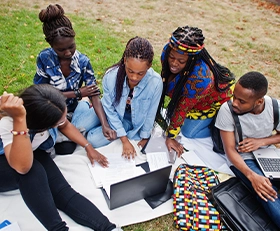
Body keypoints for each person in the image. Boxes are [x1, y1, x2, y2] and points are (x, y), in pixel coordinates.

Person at [0, 84, 122, 231]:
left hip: (31, 152)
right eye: (58, 122)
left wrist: (88, 146)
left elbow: (65, 125)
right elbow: (22, 167)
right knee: (33, 172)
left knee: (63, 192)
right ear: (39, 125)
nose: (63, 122)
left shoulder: (46, 105)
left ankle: (108, 228)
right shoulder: (9, 122)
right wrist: (19, 120)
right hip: (8, 162)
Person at [34, 4, 116, 153]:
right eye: (61, 49)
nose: (67, 53)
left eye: (71, 46)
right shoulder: (44, 59)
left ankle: (76, 123)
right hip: (51, 112)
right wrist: (77, 93)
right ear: (50, 44)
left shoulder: (83, 62)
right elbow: (39, 93)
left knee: (68, 145)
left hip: (73, 112)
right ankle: (73, 129)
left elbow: (94, 94)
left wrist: (105, 124)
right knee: (60, 147)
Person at [156, 25, 235, 156]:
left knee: (188, 133)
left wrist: (170, 137)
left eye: (181, 61)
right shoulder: (167, 51)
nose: (174, 63)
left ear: (192, 60)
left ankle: (220, 125)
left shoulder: (201, 79)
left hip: (210, 103)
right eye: (172, 58)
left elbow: (182, 108)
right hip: (194, 99)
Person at [78, 36, 163, 158]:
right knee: (77, 127)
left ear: (149, 66)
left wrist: (145, 137)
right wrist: (124, 139)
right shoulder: (111, 76)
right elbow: (109, 108)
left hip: (127, 119)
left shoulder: (155, 82)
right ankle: (84, 103)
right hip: (106, 111)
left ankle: (90, 113)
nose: (134, 77)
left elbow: (151, 113)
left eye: (140, 73)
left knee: (92, 139)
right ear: (124, 61)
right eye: (130, 71)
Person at [215, 71, 280, 228]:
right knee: (268, 194)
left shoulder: (275, 107)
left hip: (268, 154)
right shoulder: (227, 110)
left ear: (258, 101)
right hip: (244, 159)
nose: (235, 103)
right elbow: (230, 150)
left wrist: (262, 141)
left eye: (242, 101)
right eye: (234, 97)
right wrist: (252, 176)